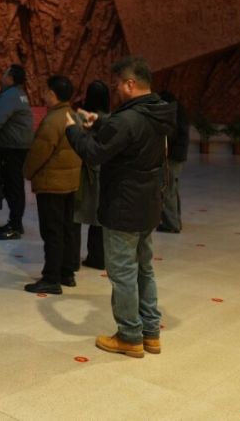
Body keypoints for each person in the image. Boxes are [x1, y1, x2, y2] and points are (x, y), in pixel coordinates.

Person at [64, 56, 175, 358]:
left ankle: (129, 335)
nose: (115, 91)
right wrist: (100, 121)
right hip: (148, 205)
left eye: (117, 85)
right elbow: (131, 132)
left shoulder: (127, 119)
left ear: (130, 83)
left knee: (123, 272)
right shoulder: (158, 111)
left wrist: (73, 130)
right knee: (144, 269)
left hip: (124, 206)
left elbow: (94, 153)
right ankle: (150, 333)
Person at [21, 75, 82, 294]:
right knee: (67, 229)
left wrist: (27, 172)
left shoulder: (52, 120)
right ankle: (67, 272)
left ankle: (51, 277)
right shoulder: (74, 116)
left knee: (52, 231)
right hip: (70, 182)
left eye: (46, 91)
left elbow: (39, 152)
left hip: (52, 184)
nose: (44, 94)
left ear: (53, 94)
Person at [0, 63, 34, 240]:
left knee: (13, 186)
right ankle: (15, 222)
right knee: (15, 185)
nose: (2, 77)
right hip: (19, 146)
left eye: (5, 75)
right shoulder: (20, 94)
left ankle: (14, 226)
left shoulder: (9, 95)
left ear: (11, 79)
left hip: (12, 148)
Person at [74, 80, 111, 269]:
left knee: (75, 216)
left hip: (82, 173)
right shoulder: (110, 119)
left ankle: (72, 259)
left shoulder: (80, 117)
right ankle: (98, 257)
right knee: (98, 217)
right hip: (104, 173)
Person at [157, 90, 189, 233]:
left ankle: (171, 224)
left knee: (167, 189)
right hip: (178, 156)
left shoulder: (172, 114)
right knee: (172, 189)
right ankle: (175, 220)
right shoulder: (179, 111)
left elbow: (170, 135)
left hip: (172, 156)